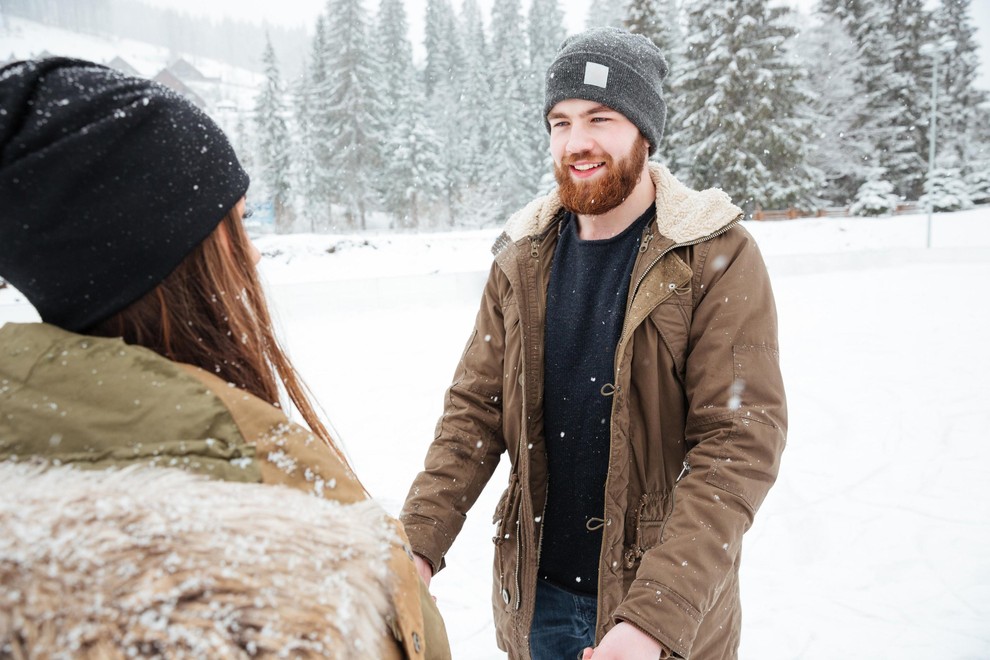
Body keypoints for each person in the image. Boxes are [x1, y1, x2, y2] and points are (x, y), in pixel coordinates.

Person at [0, 57, 449, 660]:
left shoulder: (36, 468)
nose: (255, 257)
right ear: (171, 264)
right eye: (237, 226)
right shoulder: (268, 538)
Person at [400, 27, 787, 660]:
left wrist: (653, 620)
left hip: (658, 619)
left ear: (644, 132)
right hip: (536, 607)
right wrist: (417, 544)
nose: (577, 142)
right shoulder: (521, 259)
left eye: (600, 118)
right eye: (561, 121)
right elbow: (473, 412)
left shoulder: (715, 255)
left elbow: (738, 444)